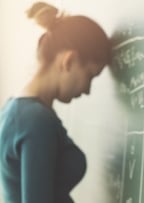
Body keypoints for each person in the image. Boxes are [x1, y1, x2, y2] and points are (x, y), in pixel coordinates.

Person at [0, 1, 110, 203]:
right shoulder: (36, 120)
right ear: (69, 61)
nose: (87, 90)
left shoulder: (13, 109)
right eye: (90, 76)